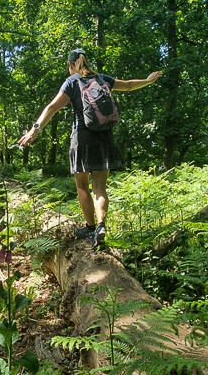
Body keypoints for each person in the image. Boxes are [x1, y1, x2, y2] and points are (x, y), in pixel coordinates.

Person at [18, 48, 162, 249]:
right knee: (100, 188)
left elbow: (52, 107)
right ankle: (101, 226)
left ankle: (89, 226)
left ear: (70, 65)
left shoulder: (72, 82)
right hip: (104, 138)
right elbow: (128, 86)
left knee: (82, 186)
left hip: (82, 138)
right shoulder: (102, 79)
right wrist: (148, 80)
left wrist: (35, 129)